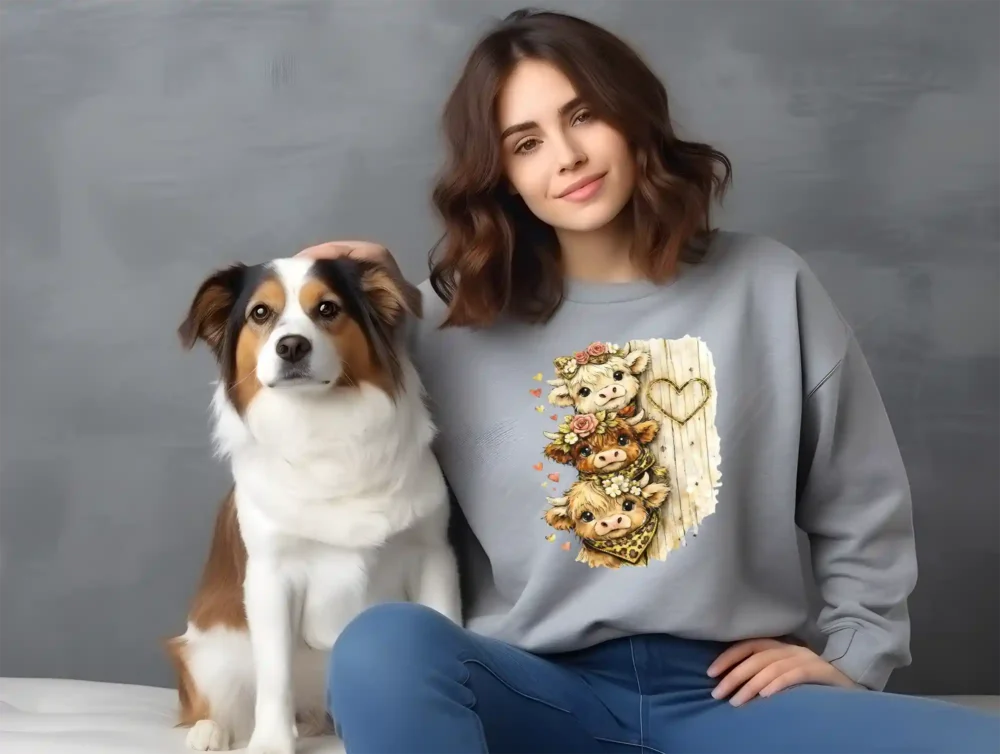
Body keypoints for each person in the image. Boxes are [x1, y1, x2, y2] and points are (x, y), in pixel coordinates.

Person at [299, 8, 1000, 753]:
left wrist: (856, 654)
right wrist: (365, 316)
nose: (565, 157)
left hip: (729, 697)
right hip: (537, 692)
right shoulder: (447, 324)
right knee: (382, 645)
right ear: (501, 177)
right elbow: (335, 482)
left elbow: (860, 499)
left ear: (632, 116)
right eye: (527, 143)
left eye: (584, 116)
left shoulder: (767, 285)